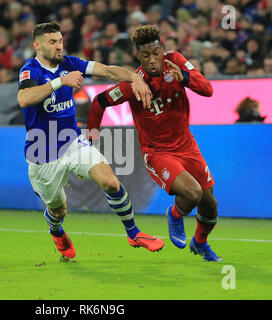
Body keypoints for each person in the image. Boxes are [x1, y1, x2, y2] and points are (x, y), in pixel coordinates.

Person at [17, 22, 163, 259]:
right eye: (52, 42)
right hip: (41, 152)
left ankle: (134, 233)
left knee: (111, 183)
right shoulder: (30, 70)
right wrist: (59, 83)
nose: (58, 46)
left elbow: (108, 71)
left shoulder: (70, 64)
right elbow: (24, 99)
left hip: (72, 141)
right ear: (37, 45)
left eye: (60, 40)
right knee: (58, 210)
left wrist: (135, 78)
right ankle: (57, 232)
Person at [87, 25, 222, 261]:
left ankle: (200, 243)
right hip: (158, 153)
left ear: (162, 49)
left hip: (187, 145)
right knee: (193, 193)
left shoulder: (176, 61)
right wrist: (93, 134)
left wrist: (186, 77)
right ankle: (175, 214)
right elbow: (99, 102)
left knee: (210, 202)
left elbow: (208, 90)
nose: (153, 60)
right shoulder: (133, 84)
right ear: (137, 56)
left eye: (156, 52)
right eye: (146, 55)